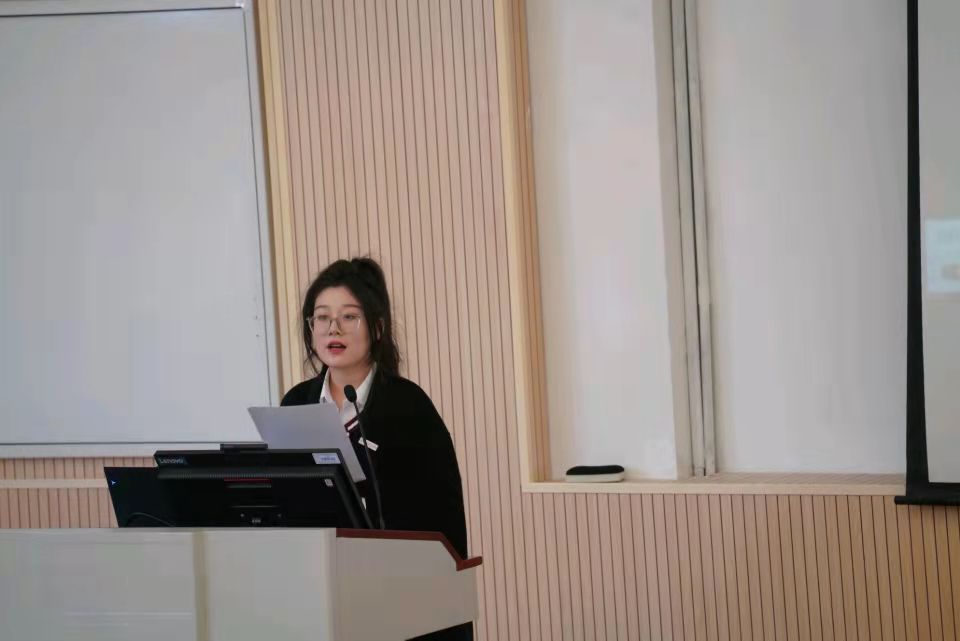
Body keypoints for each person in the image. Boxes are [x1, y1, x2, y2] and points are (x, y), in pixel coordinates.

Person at [281, 257, 471, 641]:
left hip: (401, 596)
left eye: (349, 317)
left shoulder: (409, 406)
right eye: (322, 317)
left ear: (377, 328)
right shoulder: (296, 402)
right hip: (319, 594)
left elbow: (443, 518)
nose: (333, 328)